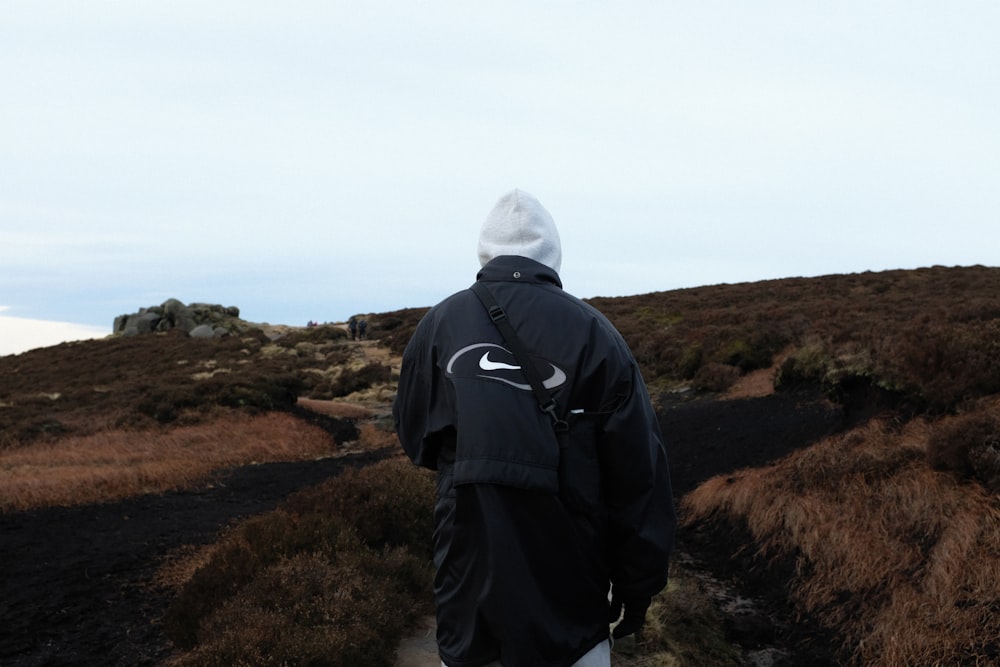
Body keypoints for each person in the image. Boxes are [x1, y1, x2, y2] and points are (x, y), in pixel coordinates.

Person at [393, 189, 676, 667]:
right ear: (553, 253)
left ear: (485, 251)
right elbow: (638, 479)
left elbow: (415, 438)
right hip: (572, 606)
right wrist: (638, 589)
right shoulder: (596, 334)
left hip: (468, 596)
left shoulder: (440, 325)